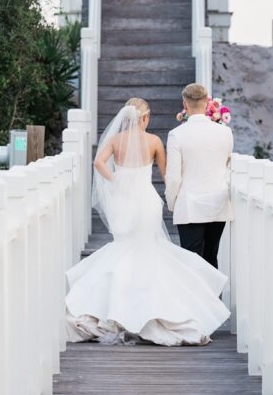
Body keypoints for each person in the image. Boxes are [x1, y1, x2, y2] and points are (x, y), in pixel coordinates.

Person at [65, 97, 230, 346]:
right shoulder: (153, 141)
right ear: (144, 118)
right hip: (146, 201)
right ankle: (149, 308)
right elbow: (167, 174)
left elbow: (98, 162)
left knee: (124, 248)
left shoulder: (115, 140)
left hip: (122, 200)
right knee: (148, 248)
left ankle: (115, 306)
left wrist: (115, 181)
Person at [165, 82, 233, 269]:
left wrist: (172, 202)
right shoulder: (225, 132)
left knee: (191, 262)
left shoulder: (176, 134)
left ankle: (197, 298)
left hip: (190, 205)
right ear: (207, 103)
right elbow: (227, 163)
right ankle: (211, 298)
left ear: (185, 104)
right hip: (218, 203)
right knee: (211, 257)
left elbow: (173, 177)